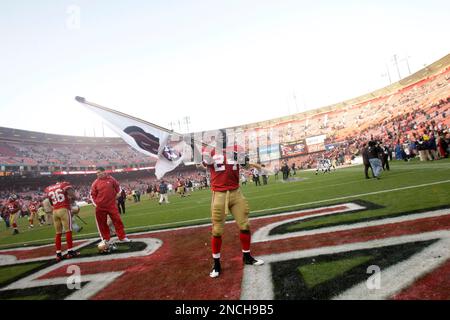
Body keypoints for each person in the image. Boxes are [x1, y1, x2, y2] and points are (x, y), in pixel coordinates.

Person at [200, 133, 264, 279]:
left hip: (236, 192)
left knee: (245, 225)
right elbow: (201, 165)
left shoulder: (236, 148)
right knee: (217, 230)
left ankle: (247, 257)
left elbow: (245, 165)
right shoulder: (209, 150)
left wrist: (244, 160)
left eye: (223, 137)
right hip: (219, 194)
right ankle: (216, 264)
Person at [90, 167, 131, 246]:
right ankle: (106, 239)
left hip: (112, 205)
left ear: (104, 171)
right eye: (97, 173)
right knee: (102, 224)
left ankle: (122, 237)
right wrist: (96, 204)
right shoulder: (95, 183)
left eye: (99, 172)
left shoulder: (111, 179)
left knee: (118, 221)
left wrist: (118, 193)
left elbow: (118, 188)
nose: (98, 174)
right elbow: (92, 195)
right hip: (100, 207)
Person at [44, 177, 80, 261]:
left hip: (55, 211)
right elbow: (73, 196)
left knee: (58, 233)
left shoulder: (49, 188)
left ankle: (58, 254)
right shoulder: (64, 185)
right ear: (63, 180)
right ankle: (70, 252)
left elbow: (50, 201)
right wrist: (72, 199)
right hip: (63, 209)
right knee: (68, 231)